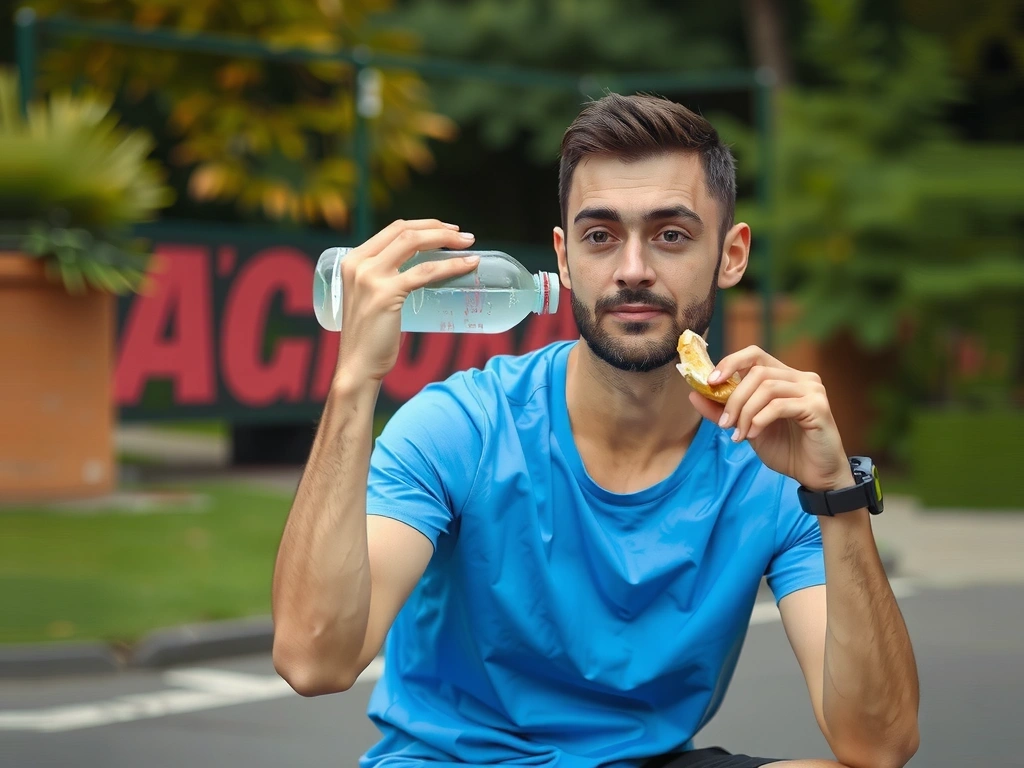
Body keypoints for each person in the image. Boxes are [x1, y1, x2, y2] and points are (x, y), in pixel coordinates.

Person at [271, 93, 920, 768]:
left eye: (671, 235)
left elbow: (878, 743)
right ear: (565, 257)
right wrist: (354, 384)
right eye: (601, 235)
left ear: (732, 255)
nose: (632, 268)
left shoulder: (770, 459)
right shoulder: (464, 426)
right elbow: (315, 659)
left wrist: (836, 494)